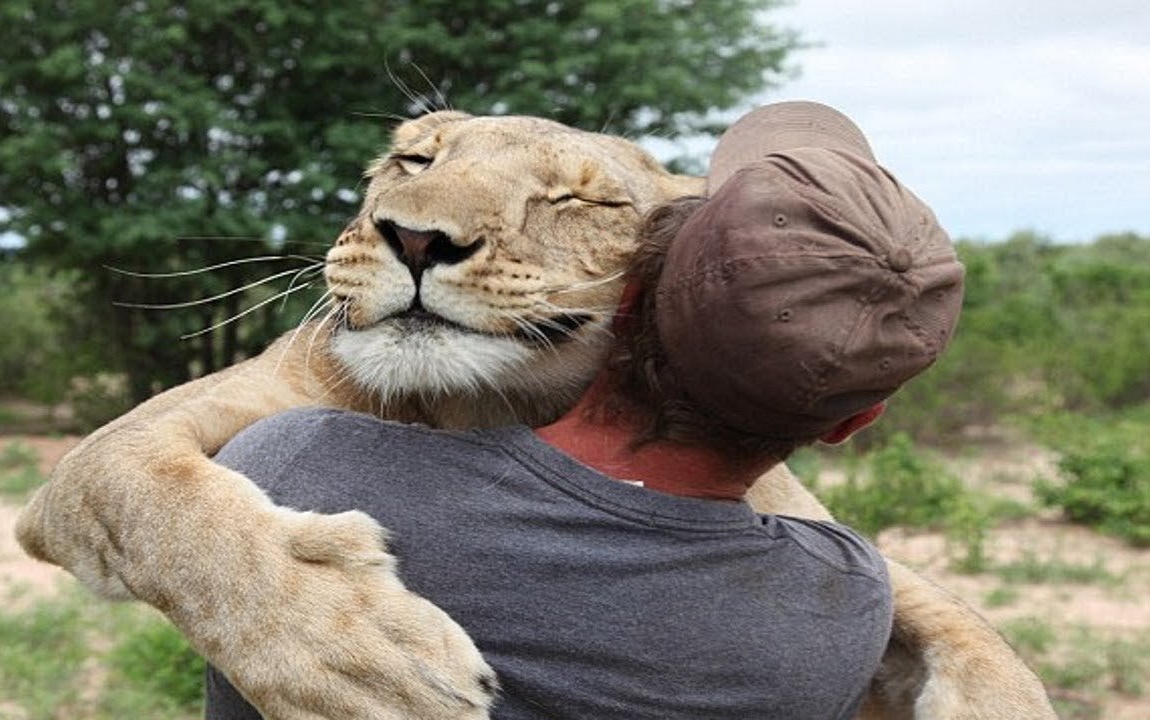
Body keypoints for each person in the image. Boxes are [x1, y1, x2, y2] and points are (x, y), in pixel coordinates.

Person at [203, 101, 965, 719]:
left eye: (583, 202)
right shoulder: (844, 604)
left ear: (630, 294)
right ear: (854, 422)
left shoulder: (297, 462)